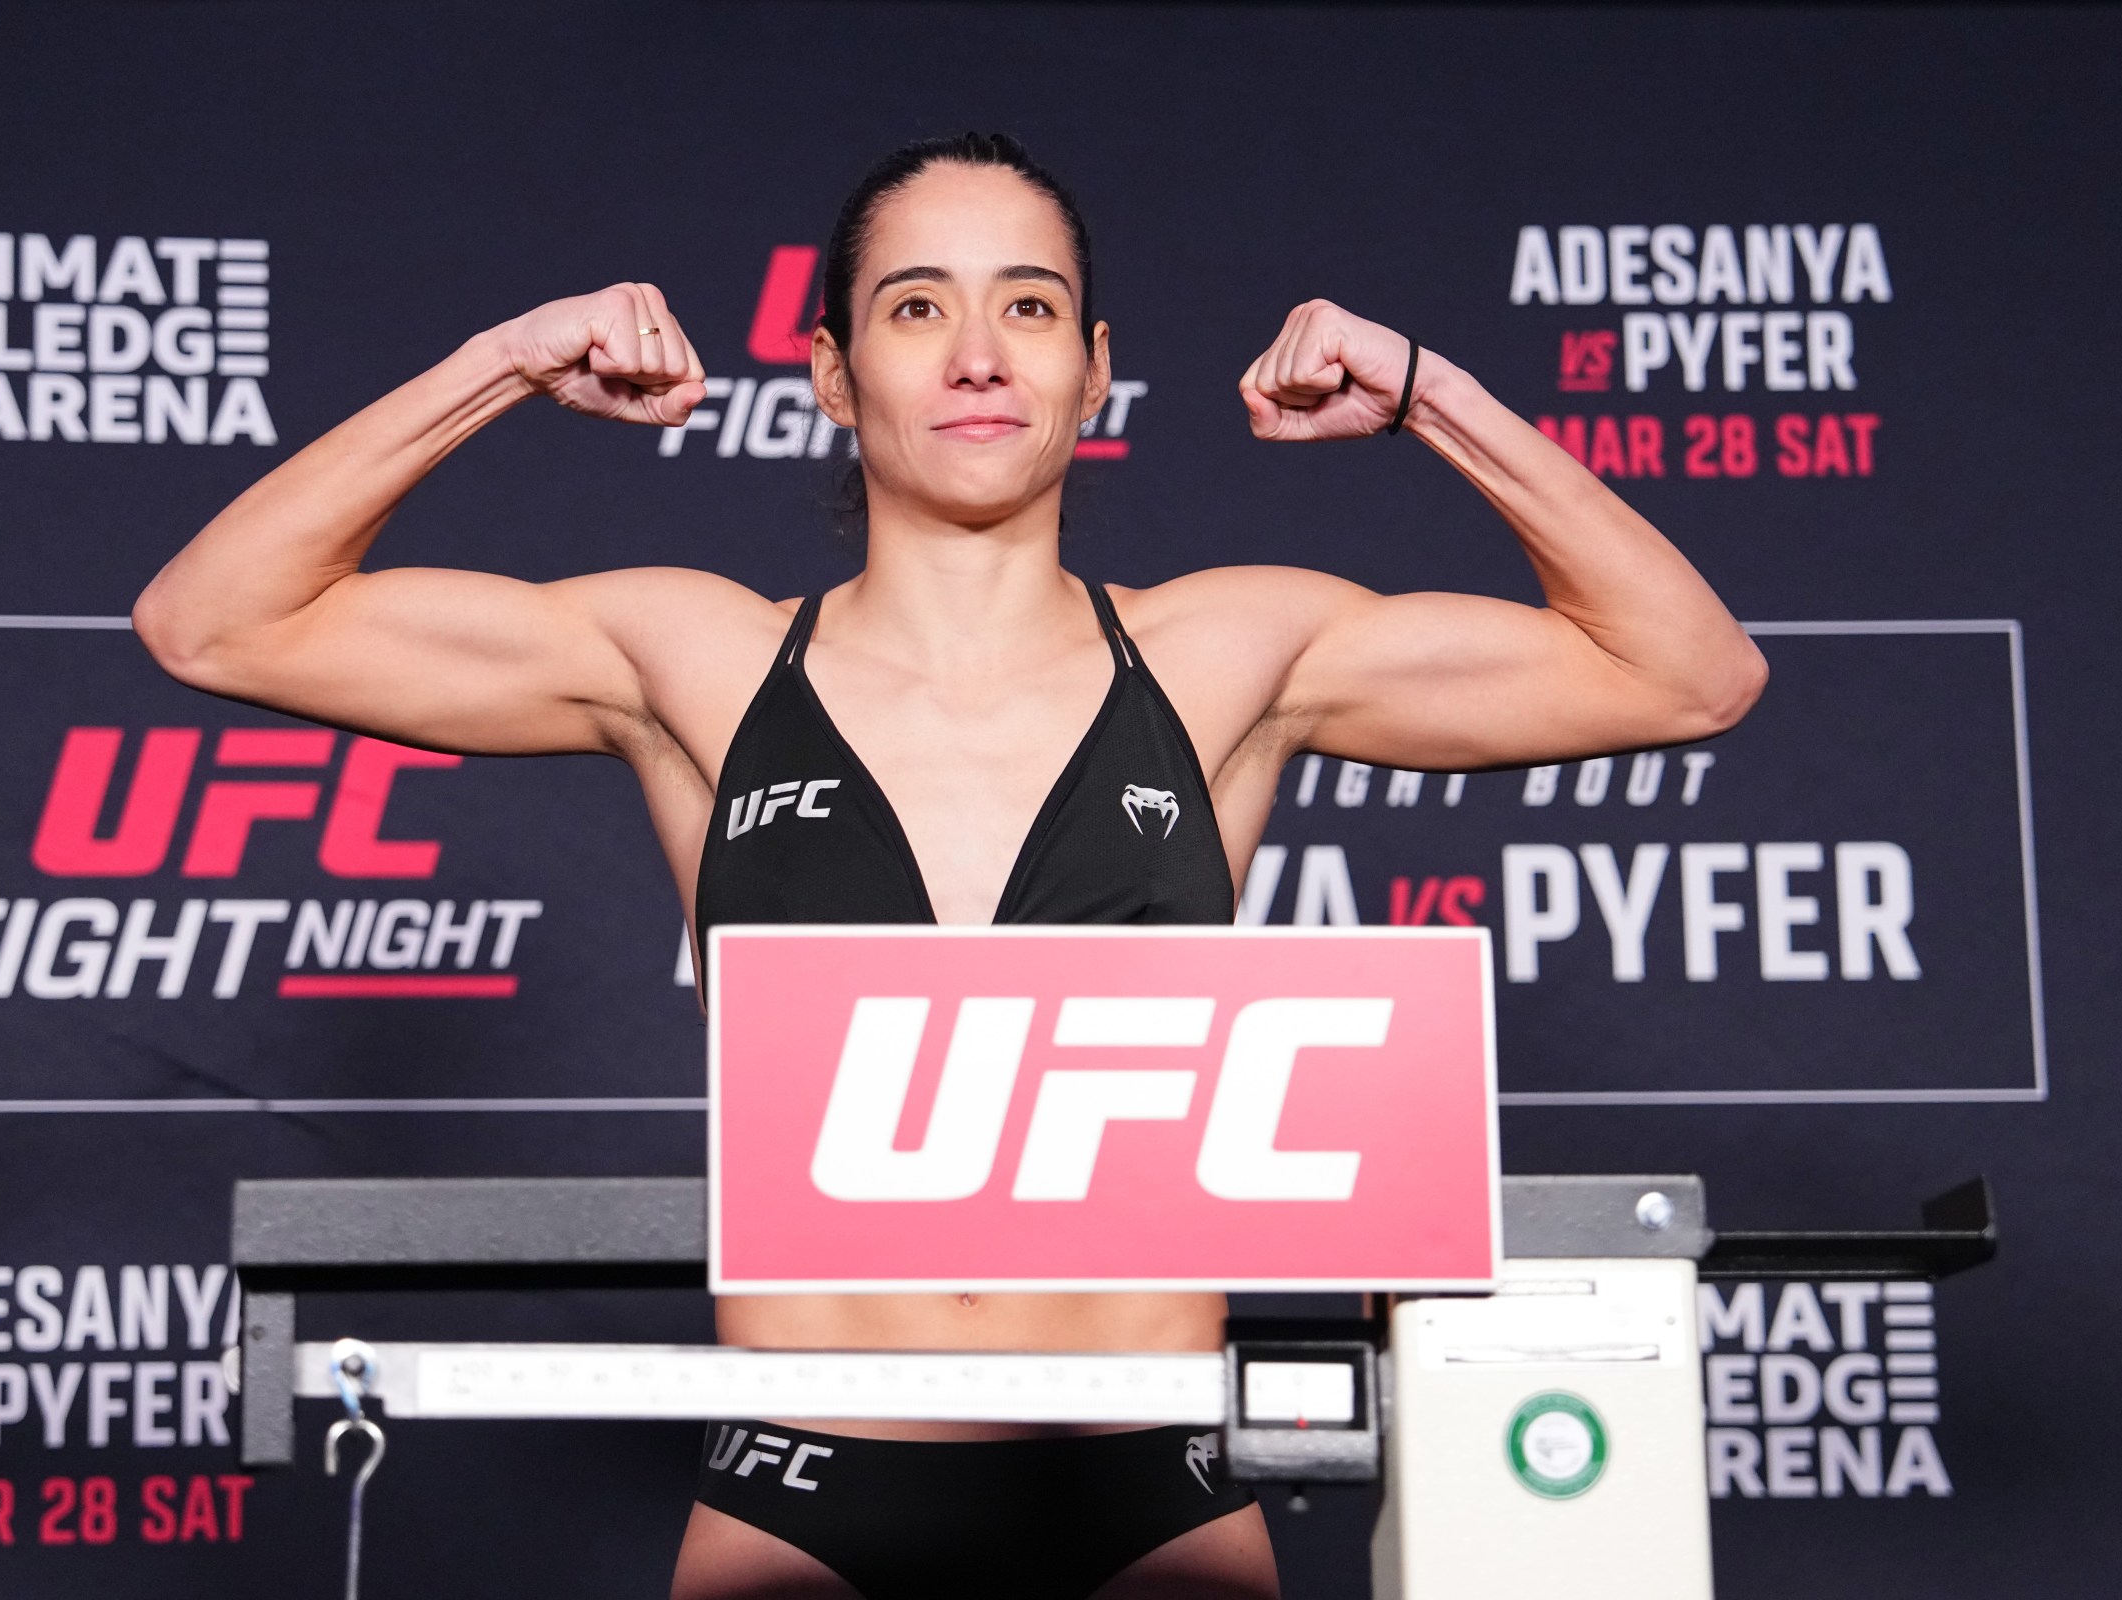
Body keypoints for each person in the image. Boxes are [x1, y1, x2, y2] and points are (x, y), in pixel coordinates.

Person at [135, 133, 1764, 1600]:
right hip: (803, 1490)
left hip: (1156, 1482)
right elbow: (214, 623)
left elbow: (1686, 675)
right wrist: (501, 365)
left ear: (1096, 367)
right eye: (917, 310)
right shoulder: (696, 663)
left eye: (1031, 308)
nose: (980, 355)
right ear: (832, 376)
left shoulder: (1232, 652)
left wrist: (1431, 397)